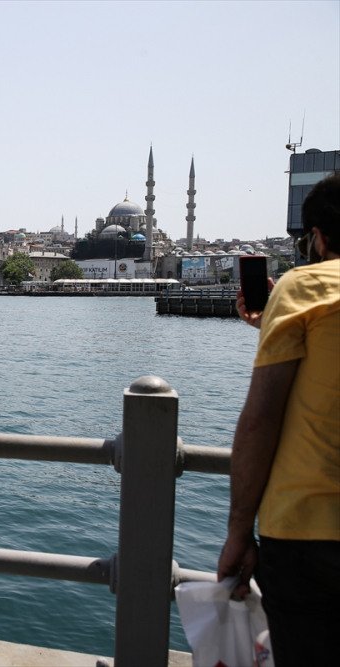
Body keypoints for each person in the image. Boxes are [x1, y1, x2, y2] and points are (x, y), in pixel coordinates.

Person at [217, 174, 340, 665]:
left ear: (318, 237)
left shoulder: (304, 286)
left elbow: (261, 418)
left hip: (312, 537)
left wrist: (238, 532)